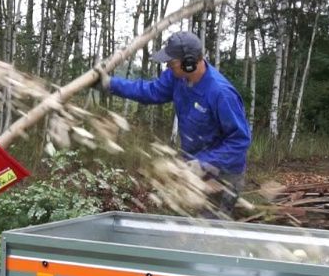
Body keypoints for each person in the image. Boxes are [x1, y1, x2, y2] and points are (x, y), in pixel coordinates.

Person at [95, 31, 251, 218]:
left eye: (172, 62)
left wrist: (204, 164)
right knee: (183, 222)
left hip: (222, 174)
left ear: (190, 62)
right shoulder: (177, 77)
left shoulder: (221, 93)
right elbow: (150, 91)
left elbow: (240, 141)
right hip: (191, 164)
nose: (167, 65)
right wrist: (110, 84)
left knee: (209, 229)